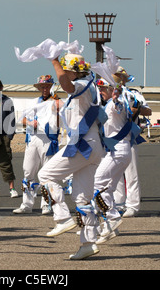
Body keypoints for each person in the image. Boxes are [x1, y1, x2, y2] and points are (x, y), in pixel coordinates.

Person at [37, 54, 105, 260]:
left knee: (45, 175)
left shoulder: (83, 85)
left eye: (66, 70)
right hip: (91, 146)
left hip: (83, 145)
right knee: (82, 197)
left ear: (74, 72)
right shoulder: (87, 86)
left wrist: (54, 61)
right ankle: (88, 243)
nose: (62, 75)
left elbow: (66, 85)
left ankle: (62, 217)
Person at [94, 67, 138, 244]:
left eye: (104, 88)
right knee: (108, 188)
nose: (101, 92)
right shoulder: (109, 104)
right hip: (119, 150)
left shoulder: (115, 104)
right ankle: (109, 226)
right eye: (100, 89)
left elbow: (119, 107)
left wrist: (116, 98)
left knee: (97, 182)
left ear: (112, 90)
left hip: (118, 151)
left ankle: (111, 217)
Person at [13, 75, 62, 215]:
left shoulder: (57, 101)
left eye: (47, 86)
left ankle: (47, 203)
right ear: (39, 88)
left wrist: (57, 108)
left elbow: (60, 122)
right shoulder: (33, 102)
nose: (45, 88)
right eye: (42, 86)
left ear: (51, 86)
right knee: (28, 171)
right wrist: (29, 123)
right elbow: (22, 118)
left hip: (48, 138)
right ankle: (26, 204)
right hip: (33, 138)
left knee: (47, 173)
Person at [113, 69, 152, 218]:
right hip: (112, 138)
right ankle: (118, 203)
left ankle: (133, 205)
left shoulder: (133, 94)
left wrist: (137, 108)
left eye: (119, 78)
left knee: (131, 173)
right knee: (115, 173)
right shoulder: (108, 94)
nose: (117, 80)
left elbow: (148, 111)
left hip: (129, 136)